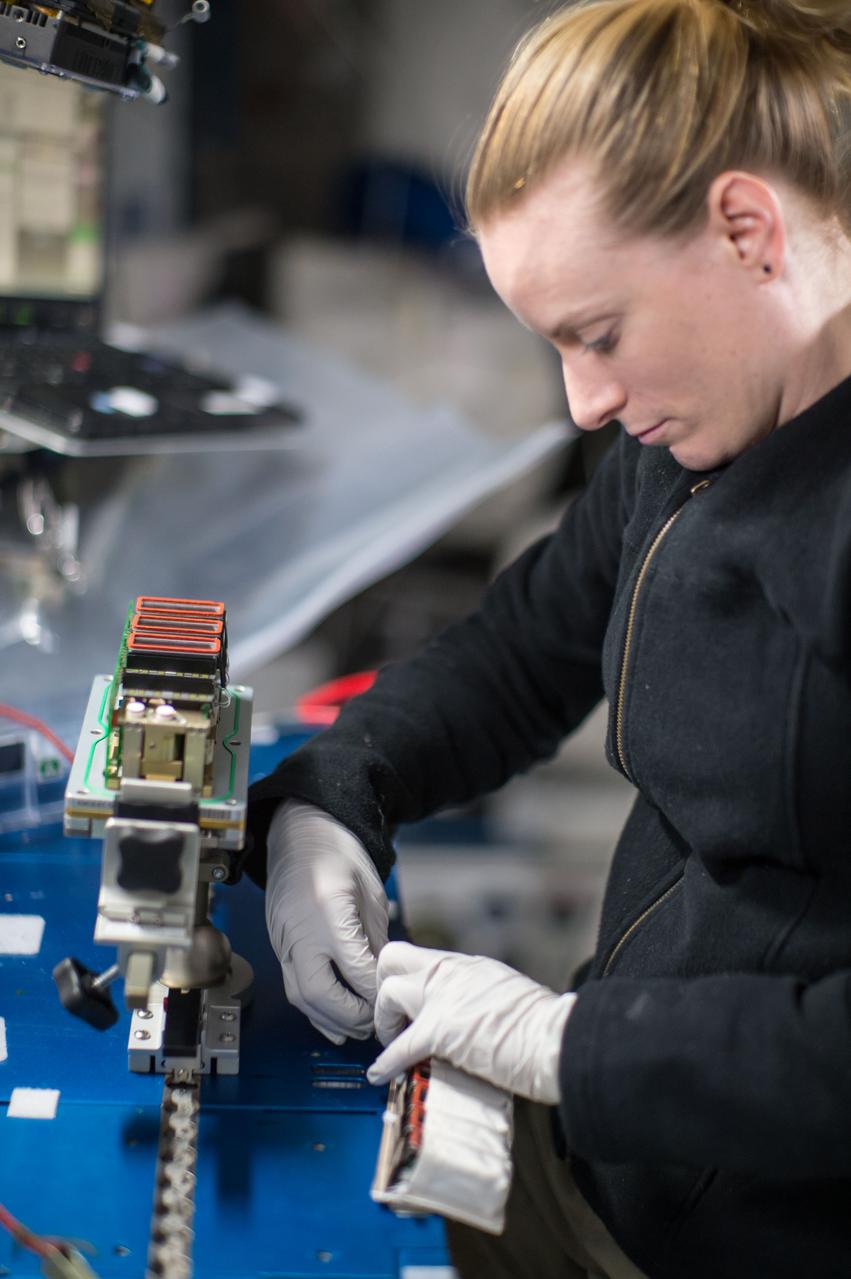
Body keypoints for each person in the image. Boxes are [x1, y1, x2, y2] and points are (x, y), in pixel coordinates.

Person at [244, 0, 851, 1274]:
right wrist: (333, 794)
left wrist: (572, 1047)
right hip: (612, 1163)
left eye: (600, 333)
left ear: (747, 231)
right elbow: (523, 648)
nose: (583, 400)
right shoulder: (691, 432)